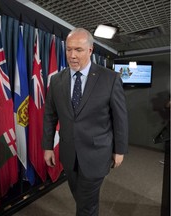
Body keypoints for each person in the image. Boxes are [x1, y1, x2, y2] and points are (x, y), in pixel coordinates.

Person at [42, 28, 128, 216]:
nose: (72, 55)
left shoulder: (110, 78)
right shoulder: (56, 80)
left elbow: (120, 118)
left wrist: (119, 150)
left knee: (85, 204)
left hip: (97, 154)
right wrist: (47, 146)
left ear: (90, 50)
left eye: (78, 50)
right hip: (69, 154)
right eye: (69, 49)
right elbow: (50, 115)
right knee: (81, 197)